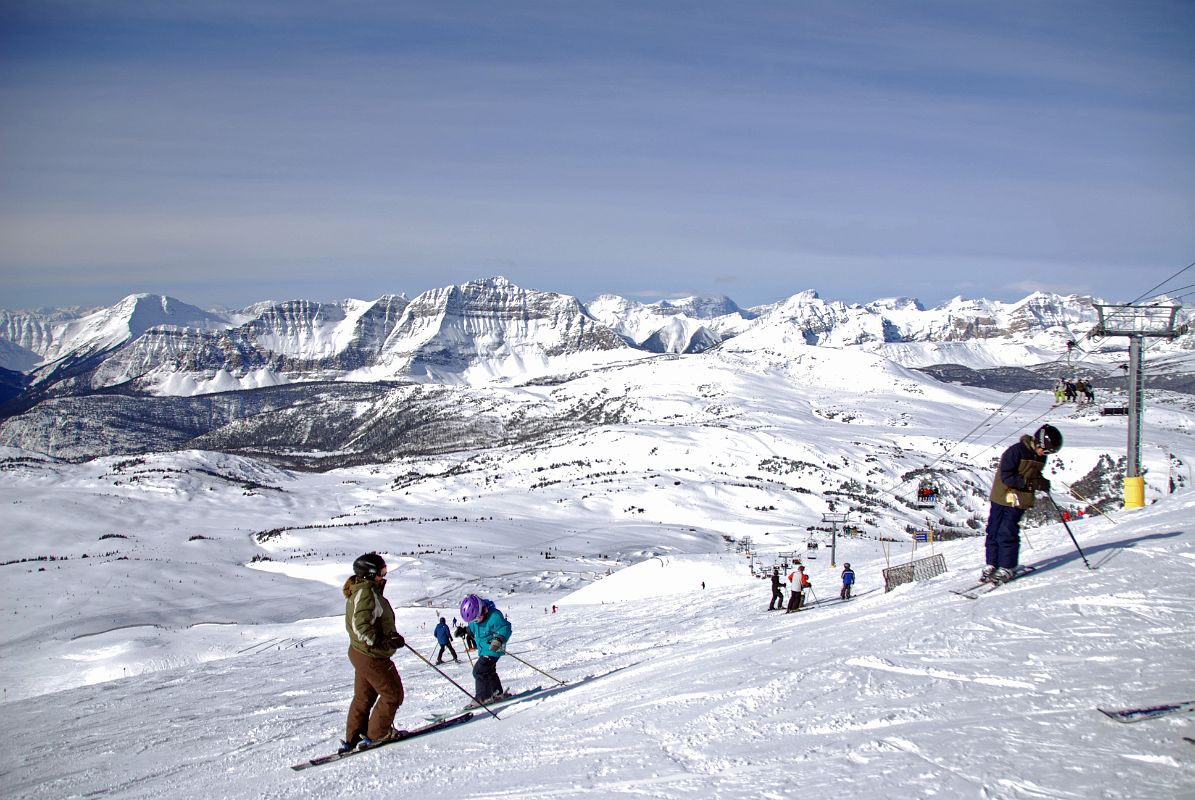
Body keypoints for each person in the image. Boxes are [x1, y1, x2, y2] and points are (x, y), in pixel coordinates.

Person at [340, 553, 406, 753]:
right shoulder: (366, 593)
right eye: (381, 572)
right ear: (368, 574)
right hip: (372, 655)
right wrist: (382, 641)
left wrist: (390, 637)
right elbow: (360, 626)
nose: (384, 576)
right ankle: (377, 735)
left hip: (361, 653)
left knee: (364, 697)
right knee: (393, 695)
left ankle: (353, 738)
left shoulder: (364, 590)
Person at [982, 424, 1062, 584]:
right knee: (993, 530)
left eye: (1048, 453)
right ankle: (992, 564)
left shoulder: (1040, 457)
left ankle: (1007, 566)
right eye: (1045, 450)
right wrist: (1028, 483)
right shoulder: (1016, 451)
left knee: (1007, 530)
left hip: (1020, 499)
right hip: (1001, 495)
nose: (1044, 454)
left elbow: (1035, 475)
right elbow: (1006, 475)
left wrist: (1041, 482)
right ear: (1038, 442)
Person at [460, 593, 512, 704]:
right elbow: (472, 628)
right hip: (485, 649)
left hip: (495, 647)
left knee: (479, 671)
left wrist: (499, 639)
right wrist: (465, 630)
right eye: (473, 620)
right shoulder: (475, 619)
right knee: (489, 671)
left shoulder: (494, 616)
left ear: (483, 609)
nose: (476, 621)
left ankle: (483, 697)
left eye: (477, 618)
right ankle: (496, 692)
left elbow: (505, 628)